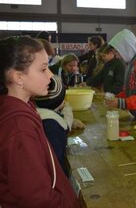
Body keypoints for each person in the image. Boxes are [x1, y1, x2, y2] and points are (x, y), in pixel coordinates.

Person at [0, 36, 79, 207]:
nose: (50, 76)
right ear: (18, 77)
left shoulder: (25, 107)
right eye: (43, 69)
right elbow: (37, 199)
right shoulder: (19, 129)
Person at [34, 75, 73, 177]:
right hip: (53, 177)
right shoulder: (53, 125)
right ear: (60, 101)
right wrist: (67, 107)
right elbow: (66, 126)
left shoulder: (35, 113)